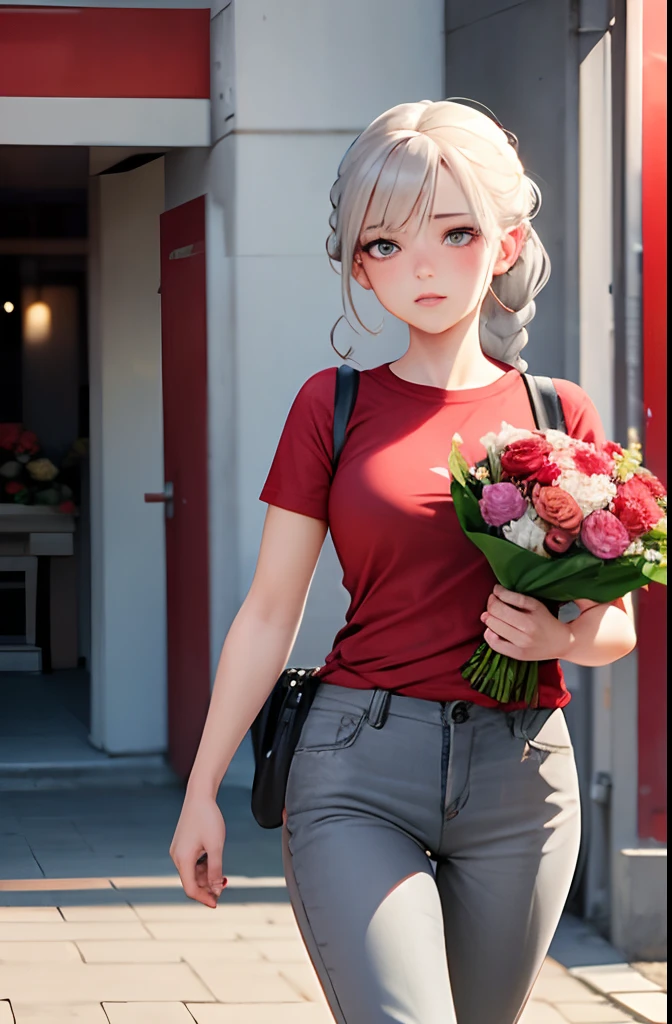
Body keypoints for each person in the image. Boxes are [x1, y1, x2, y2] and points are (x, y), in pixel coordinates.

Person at [170, 99, 637, 1024]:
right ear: (357, 264)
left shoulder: (560, 414)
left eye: (454, 231)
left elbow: (614, 625)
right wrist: (201, 791)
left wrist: (558, 634)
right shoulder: (330, 406)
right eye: (386, 243)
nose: (421, 264)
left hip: (523, 780)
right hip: (355, 765)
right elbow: (270, 611)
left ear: (503, 244)